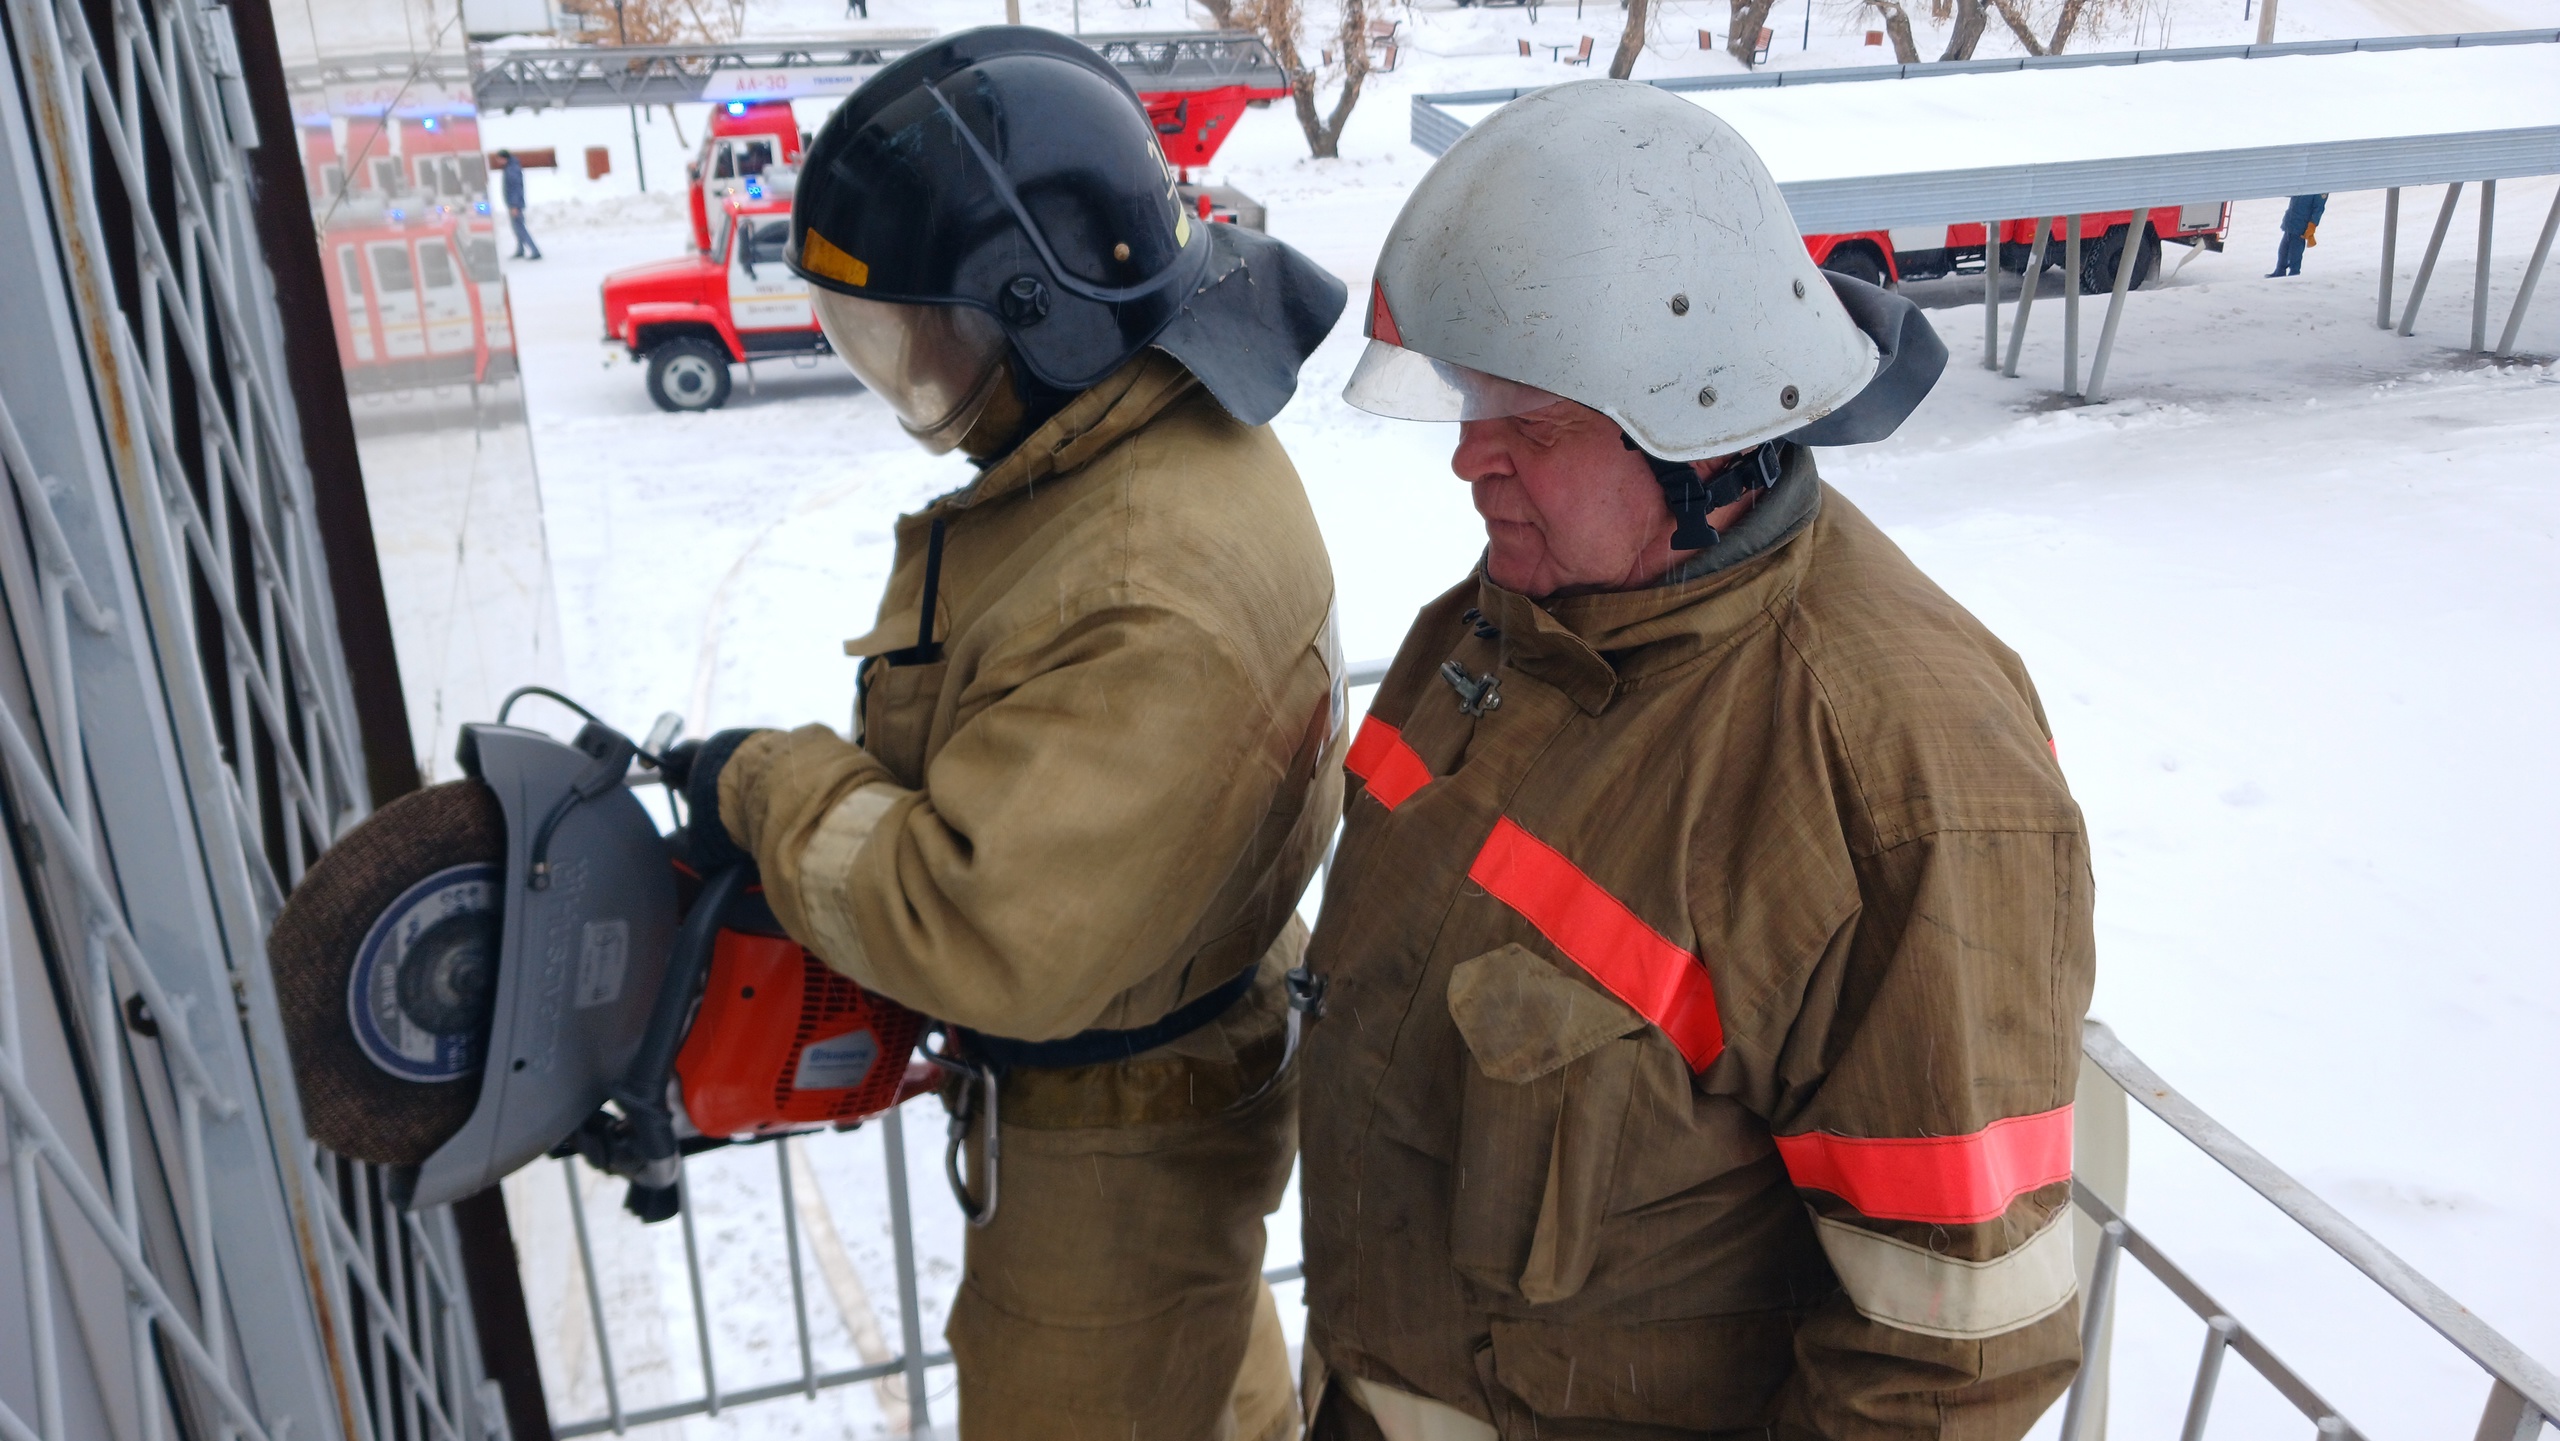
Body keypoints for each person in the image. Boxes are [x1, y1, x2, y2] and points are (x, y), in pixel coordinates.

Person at [1297, 79, 2096, 1441]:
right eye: (1469, 399)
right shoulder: (1499, 626)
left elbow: (1949, 1362)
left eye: (1527, 421)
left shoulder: (1892, 773)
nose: (1468, 460)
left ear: (1701, 434)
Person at [673, 29, 1347, 1441]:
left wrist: (767, 783)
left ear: (1047, 310)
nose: (912, 366)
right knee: (1217, 1392)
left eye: (934, 330)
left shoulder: (1139, 586)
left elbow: (982, 926)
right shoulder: (1125, 434)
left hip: (1120, 1148)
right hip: (1153, 1093)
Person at [495, 148, 539, 260]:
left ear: (504, 158)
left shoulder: (512, 169)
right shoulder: (510, 167)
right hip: (513, 204)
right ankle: (520, 249)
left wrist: (514, 205)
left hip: (515, 204)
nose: (498, 161)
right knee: (517, 227)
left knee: (520, 227)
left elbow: (515, 188)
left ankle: (535, 251)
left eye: (499, 159)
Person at [2272, 192, 2327, 277]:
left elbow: (2318, 209)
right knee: (2283, 250)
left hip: (2301, 225)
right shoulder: (2302, 183)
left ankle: (2294, 273)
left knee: (2295, 252)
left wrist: (2312, 225)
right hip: (2290, 221)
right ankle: (2280, 271)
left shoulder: (2320, 188)